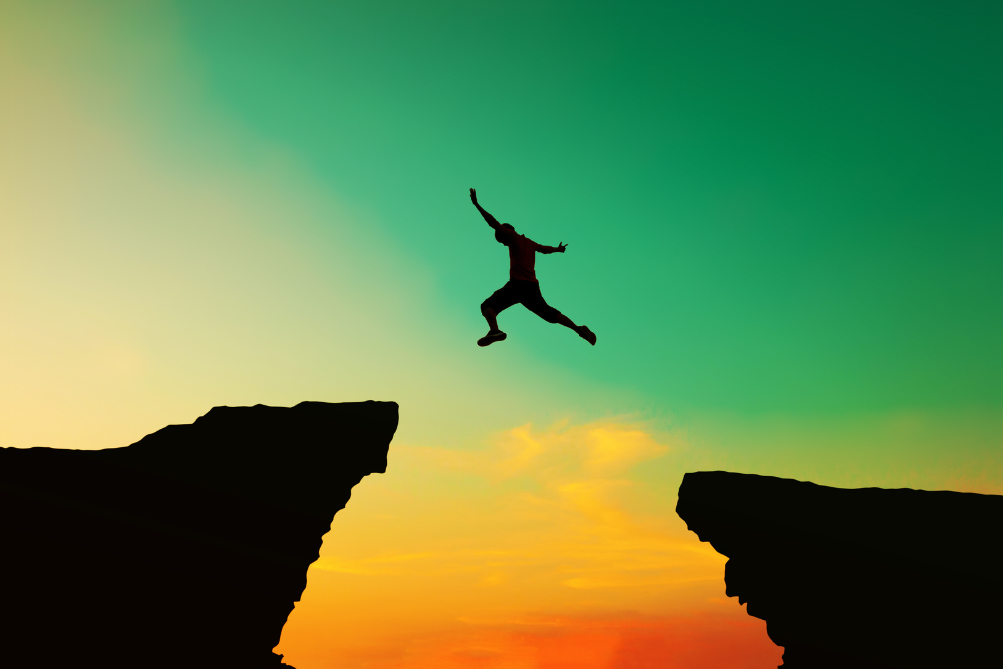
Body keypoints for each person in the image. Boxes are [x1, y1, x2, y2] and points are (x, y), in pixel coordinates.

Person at [470, 188, 596, 347]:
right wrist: (558, 249)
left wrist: (476, 204)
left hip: (517, 285)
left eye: (502, 240)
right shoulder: (529, 243)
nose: (504, 243)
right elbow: (544, 249)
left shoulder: (512, 236)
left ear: (506, 232)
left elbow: (492, 222)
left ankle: (494, 330)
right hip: (532, 287)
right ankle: (578, 329)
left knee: (487, 306)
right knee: (549, 313)